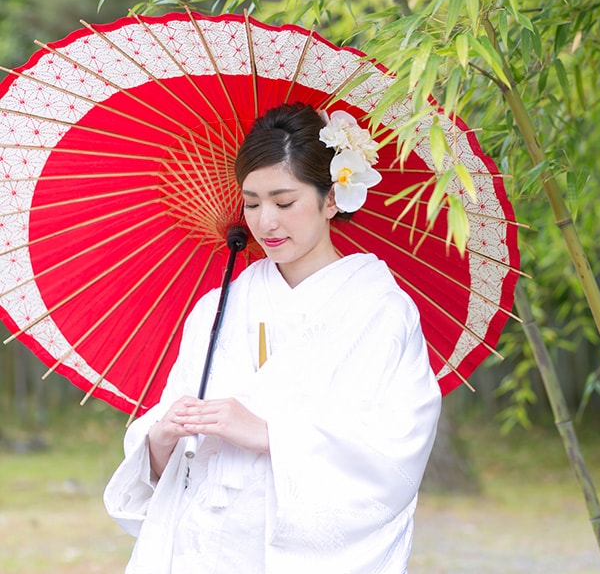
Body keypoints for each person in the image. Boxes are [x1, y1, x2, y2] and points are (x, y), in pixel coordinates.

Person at [104, 102, 442, 574]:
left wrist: (269, 433)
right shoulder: (217, 307)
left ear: (331, 199)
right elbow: (174, 465)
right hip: (200, 550)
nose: (265, 223)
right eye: (253, 202)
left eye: (284, 203)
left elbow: (394, 456)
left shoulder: (379, 311)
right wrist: (160, 439)